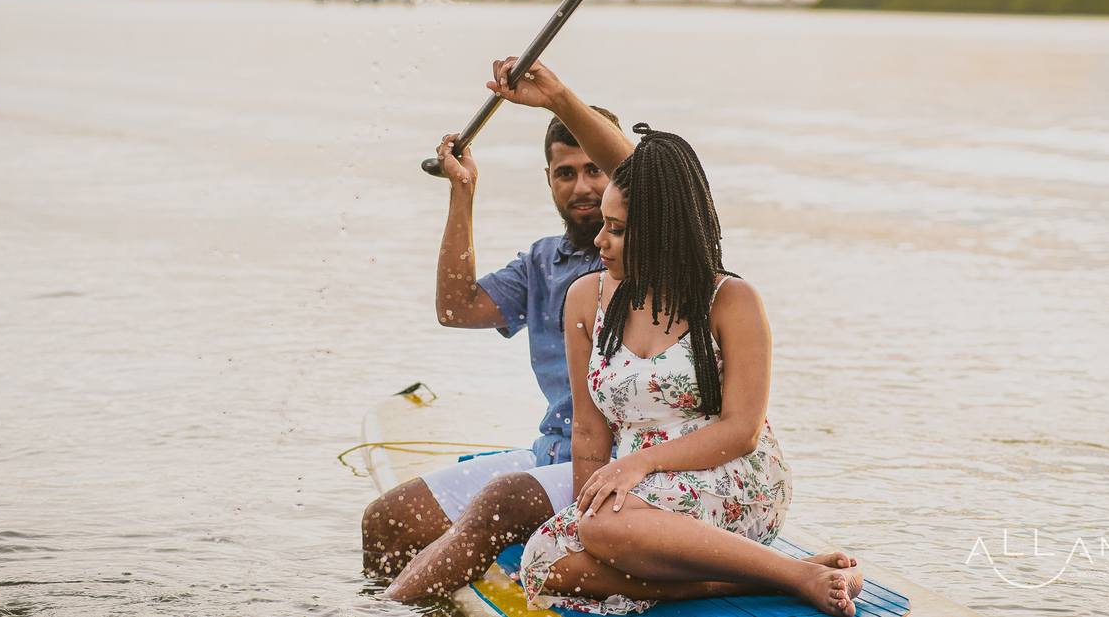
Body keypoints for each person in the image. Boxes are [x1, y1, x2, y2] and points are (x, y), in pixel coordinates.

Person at [511, 122, 865, 617]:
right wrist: (585, 515)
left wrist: (638, 467)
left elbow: (742, 430)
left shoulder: (731, 300)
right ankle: (741, 581)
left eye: (616, 229)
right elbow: (590, 430)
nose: (600, 242)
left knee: (600, 529)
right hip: (631, 493)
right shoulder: (585, 299)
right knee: (547, 565)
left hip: (728, 475)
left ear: (660, 232)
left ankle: (799, 575)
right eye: (602, 226)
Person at [363, 58, 634, 601]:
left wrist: (558, 97)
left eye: (594, 170)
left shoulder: (647, 247)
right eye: (565, 173)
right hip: (555, 453)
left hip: (630, 465)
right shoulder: (540, 263)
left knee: (503, 501)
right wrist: (461, 191)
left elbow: (646, 178)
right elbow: (456, 308)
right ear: (549, 181)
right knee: (387, 521)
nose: (581, 187)